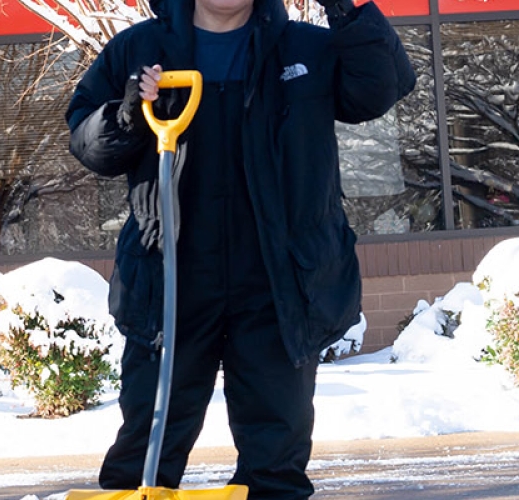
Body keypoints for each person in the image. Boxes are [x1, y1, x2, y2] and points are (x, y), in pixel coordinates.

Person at [65, 0, 414, 497]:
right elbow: (87, 144)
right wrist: (128, 115)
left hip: (279, 284)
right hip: (172, 283)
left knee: (275, 460)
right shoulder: (139, 50)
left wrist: (345, 11)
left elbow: (380, 88)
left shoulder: (304, 48)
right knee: (147, 449)